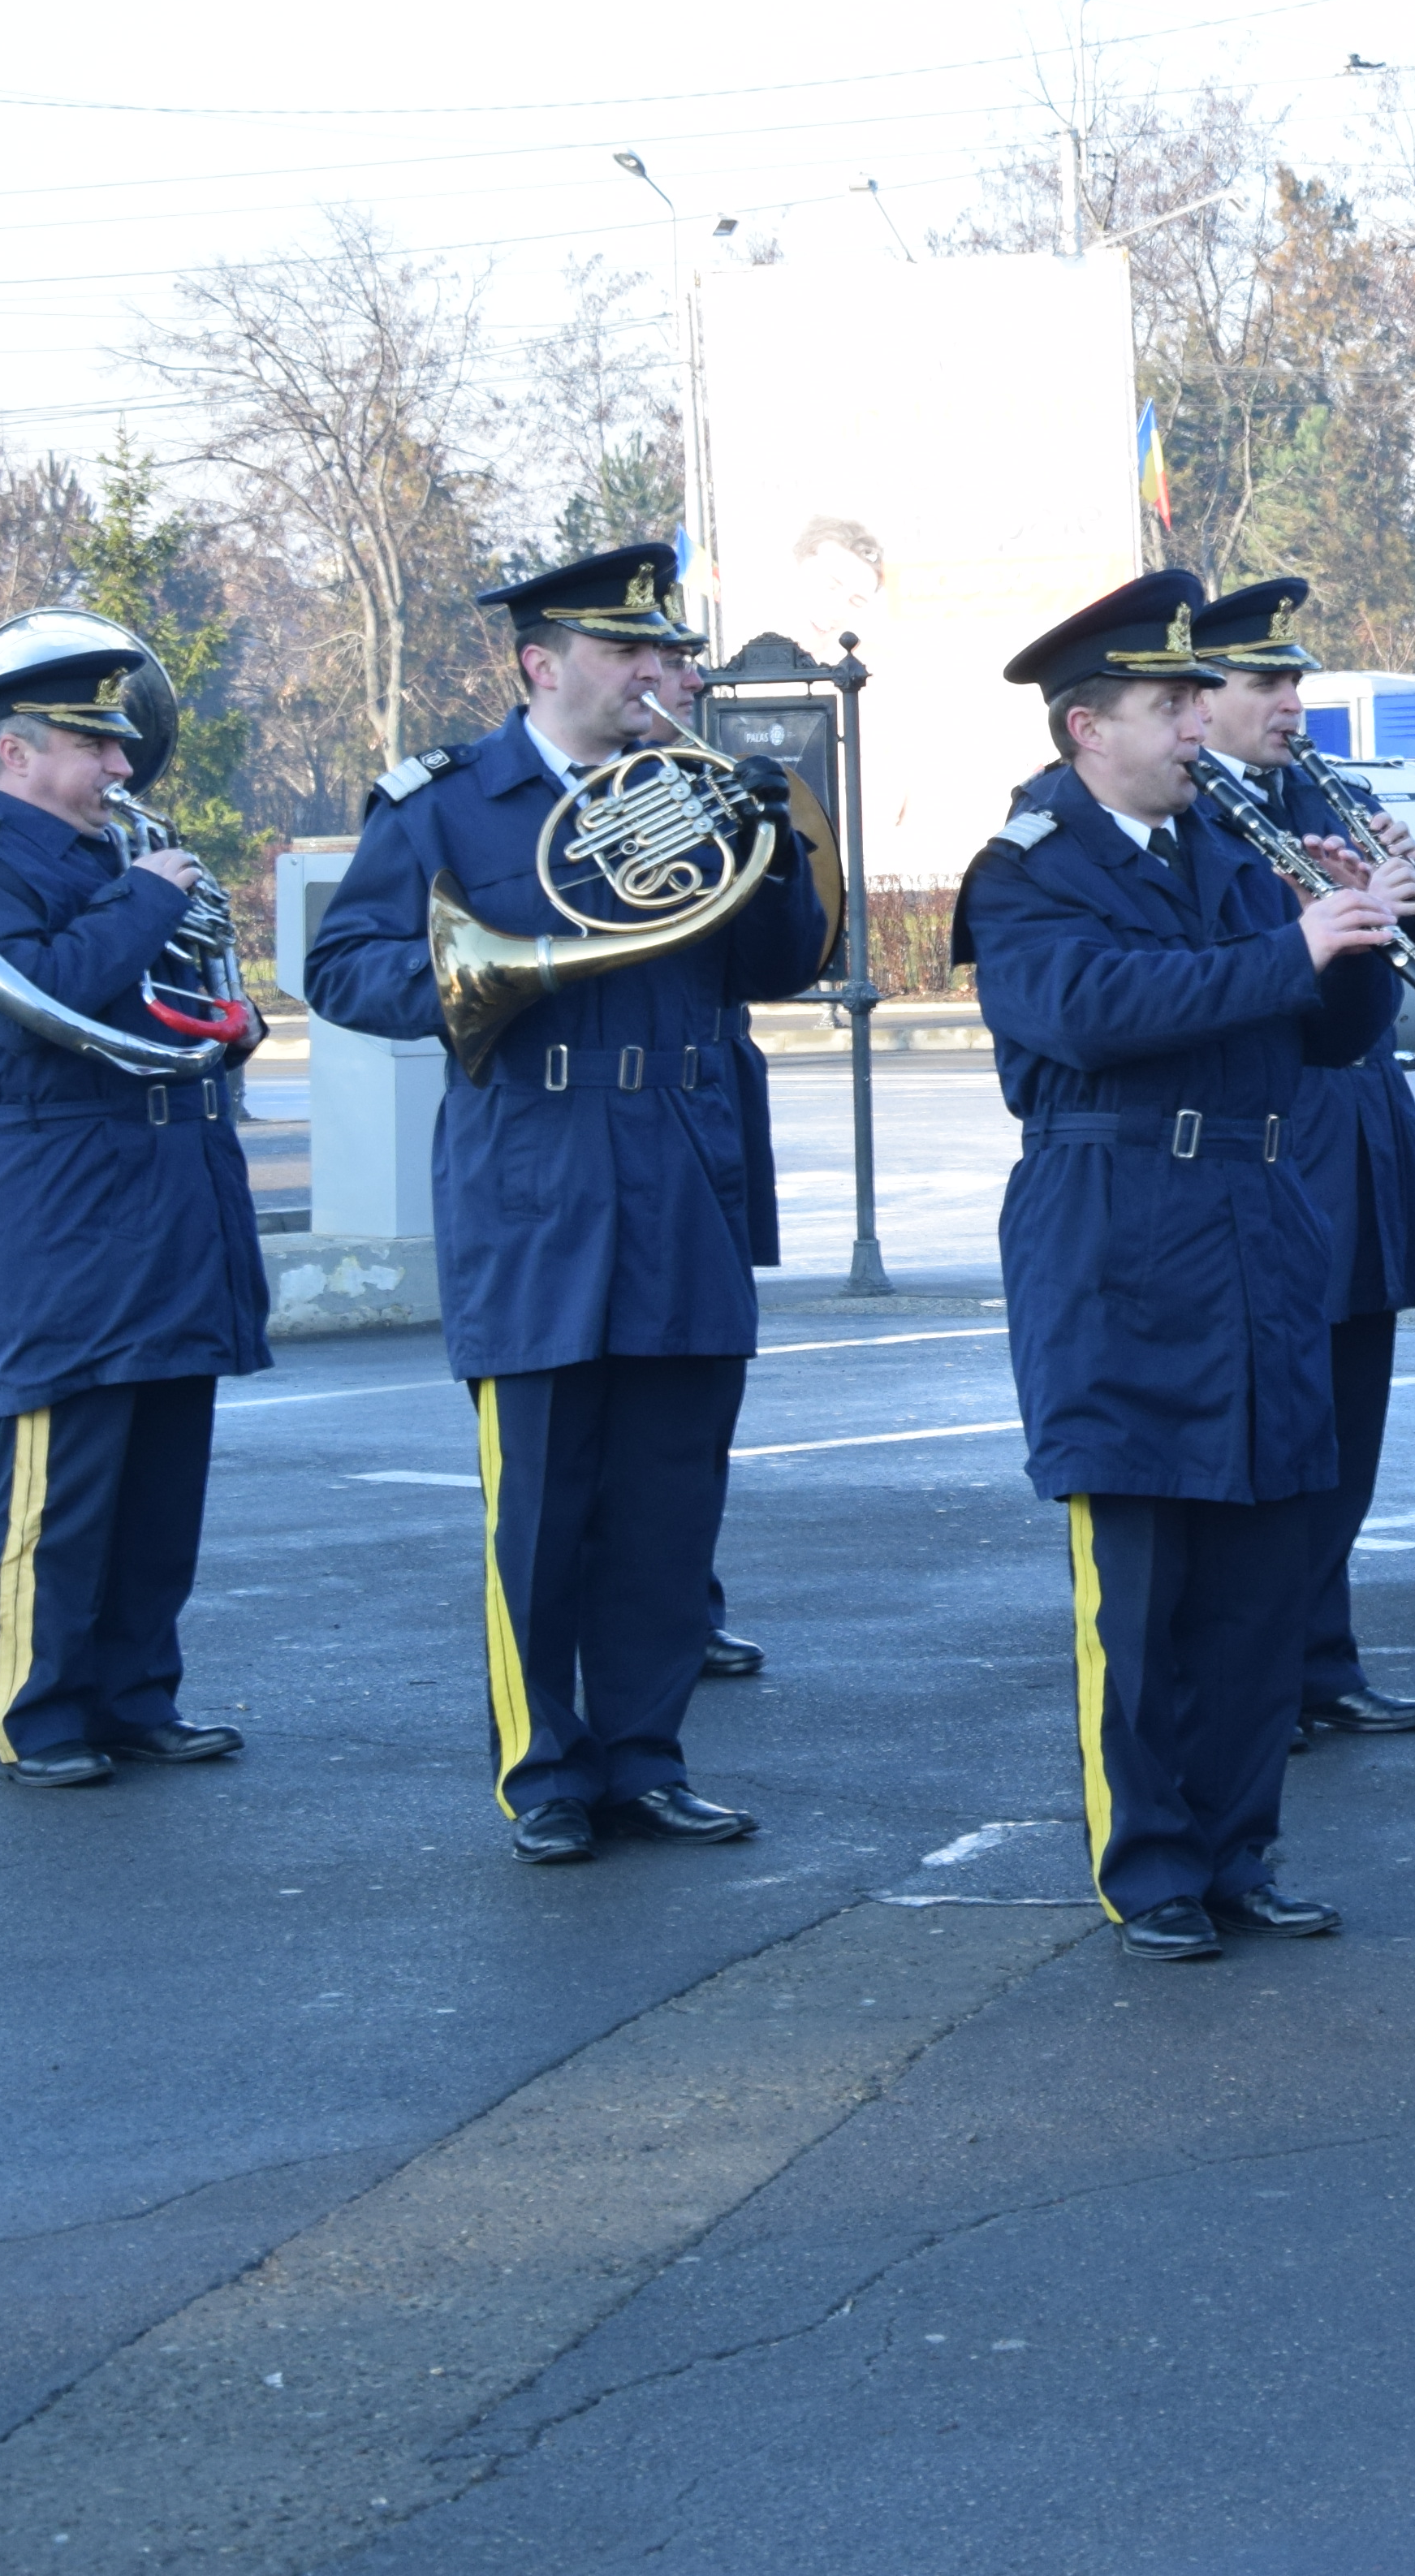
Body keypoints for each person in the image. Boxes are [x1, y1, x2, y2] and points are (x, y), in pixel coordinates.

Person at [305, 546, 835, 1863]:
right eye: (634, 655)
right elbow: (342, 966)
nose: (668, 675)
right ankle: (546, 1770)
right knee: (542, 1498)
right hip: (536, 1163)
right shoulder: (450, 802)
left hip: (681, 1157)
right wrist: (500, 967)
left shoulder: (696, 793)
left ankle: (646, 1755)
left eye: (671, 653)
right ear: (544, 666)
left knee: (669, 1492)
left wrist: (775, 853)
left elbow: (774, 969)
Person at [956, 572, 1399, 1959]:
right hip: (1118, 1230)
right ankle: (1151, 1868)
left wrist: (1370, 924)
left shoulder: (1226, 843)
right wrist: (1290, 945)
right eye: (1171, 703)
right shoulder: (1029, 867)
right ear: (1089, 728)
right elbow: (1087, 1011)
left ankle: (1239, 1849)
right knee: (1146, 1590)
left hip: (1255, 1221)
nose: (1200, 722)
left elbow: (1326, 1040)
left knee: (1267, 1568)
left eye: (1200, 698)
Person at [0, 618, 272, 1789]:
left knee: (164, 1471)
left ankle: (135, 1695)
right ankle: (40, 1712)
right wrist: (152, 904)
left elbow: (144, 1008)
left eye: (119, 748)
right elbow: (36, 1000)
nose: (123, 768)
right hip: (60, 1190)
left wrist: (228, 1027)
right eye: (93, 747)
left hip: (165, 1180)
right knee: (64, 1476)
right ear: (15, 754)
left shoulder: (105, 860)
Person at [1190, 576, 1415, 1745]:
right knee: (1275, 1423)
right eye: (1265, 684)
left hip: (1365, 1124)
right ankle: (1258, 1665)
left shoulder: (1321, 793)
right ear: (1202, 698)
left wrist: (1409, 887)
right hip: (1281, 1129)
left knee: (1352, 1415)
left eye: (1295, 681)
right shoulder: (1196, 814)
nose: (1290, 703)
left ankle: (1324, 1657)